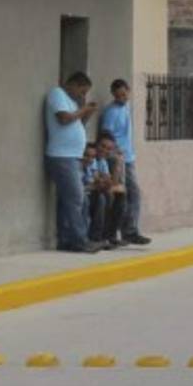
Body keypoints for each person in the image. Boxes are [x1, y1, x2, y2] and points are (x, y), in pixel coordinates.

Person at [45, 71, 102, 253]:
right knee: (77, 198)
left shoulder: (72, 102)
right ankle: (79, 240)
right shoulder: (57, 94)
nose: (82, 96)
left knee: (70, 200)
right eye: (82, 91)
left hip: (73, 156)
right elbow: (63, 119)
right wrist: (83, 110)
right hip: (62, 156)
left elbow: (76, 123)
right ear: (73, 84)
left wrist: (87, 113)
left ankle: (66, 240)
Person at [99, 79, 151, 246]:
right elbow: (106, 136)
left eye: (124, 94)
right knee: (130, 194)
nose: (122, 98)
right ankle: (129, 231)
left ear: (128, 91)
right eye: (118, 96)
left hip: (129, 157)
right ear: (113, 95)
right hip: (118, 159)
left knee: (127, 195)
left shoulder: (126, 107)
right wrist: (116, 154)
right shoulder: (111, 112)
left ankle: (123, 232)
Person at [89, 132, 128, 248]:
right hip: (87, 192)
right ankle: (97, 237)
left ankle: (110, 236)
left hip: (97, 190)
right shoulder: (91, 158)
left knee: (121, 195)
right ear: (96, 144)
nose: (104, 150)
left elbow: (111, 182)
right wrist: (107, 184)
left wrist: (119, 162)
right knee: (104, 197)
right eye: (102, 146)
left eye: (109, 149)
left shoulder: (103, 161)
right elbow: (97, 182)